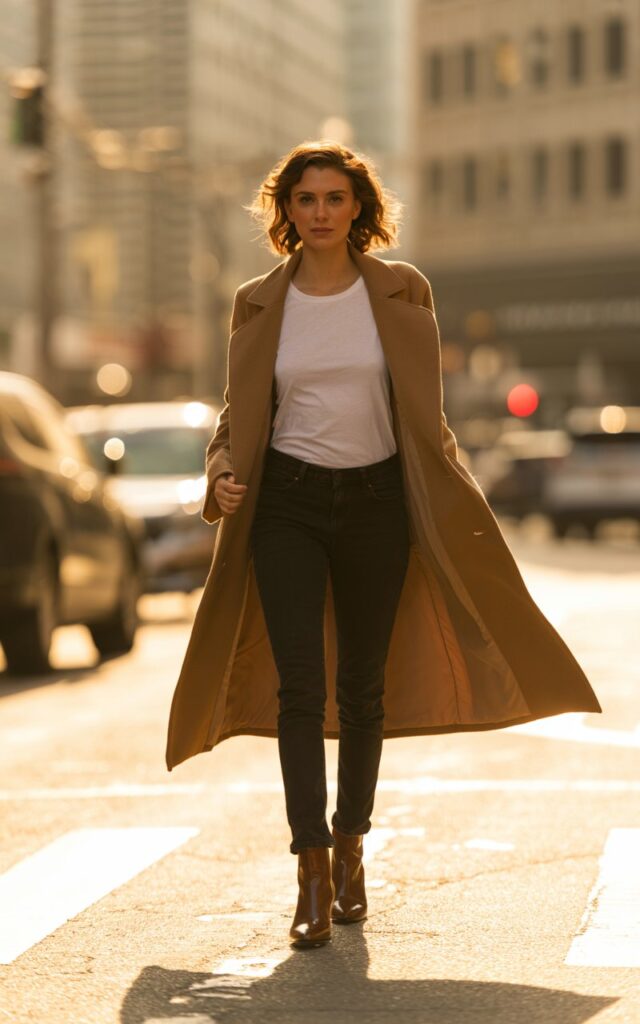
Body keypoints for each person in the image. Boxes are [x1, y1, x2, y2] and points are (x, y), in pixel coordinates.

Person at [165, 139, 602, 951]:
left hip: (377, 503)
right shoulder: (258, 301)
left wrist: (451, 487)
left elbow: (422, 411)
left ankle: (353, 841)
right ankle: (312, 867)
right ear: (286, 212)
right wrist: (223, 471)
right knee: (302, 684)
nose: (321, 213)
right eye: (306, 200)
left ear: (359, 208)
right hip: (286, 505)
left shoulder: (404, 292)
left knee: (362, 687)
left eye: (335, 199)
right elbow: (238, 414)